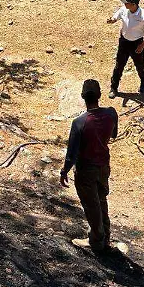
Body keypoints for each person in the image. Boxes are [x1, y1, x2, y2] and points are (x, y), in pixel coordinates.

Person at [59, 79, 118, 254]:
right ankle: (105, 236)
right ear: (99, 95)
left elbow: (72, 153)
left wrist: (64, 171)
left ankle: (97, 241)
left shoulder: (79, 122)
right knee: (101, 200)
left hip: (86, 169)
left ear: (82, 97)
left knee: (91, 205)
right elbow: (114, 135)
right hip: (103, 166)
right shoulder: (111, 113)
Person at [106, 0, 144, 101]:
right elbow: (115, 17)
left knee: (140, 66)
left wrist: (142, 45)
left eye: (126, 3)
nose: (124, 4)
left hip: (136, 44)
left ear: (133, 4)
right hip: (124, 42)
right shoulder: (124, 10)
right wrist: (112, 20)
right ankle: (114, 88)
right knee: (119, 65)